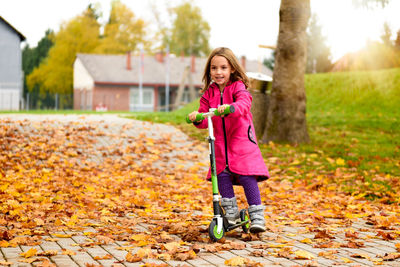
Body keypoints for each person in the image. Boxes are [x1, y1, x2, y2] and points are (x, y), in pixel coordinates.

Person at [188, 47, 270, 233]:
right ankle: (231, 215)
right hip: (220, 145)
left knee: (246, 175)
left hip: (241, 141)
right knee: (221, 175)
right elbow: (204, 118)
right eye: (214, 68)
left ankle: (257, 215)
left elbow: (244, 104)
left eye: (223, 68)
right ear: (209, 71)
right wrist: (197, 118)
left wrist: (230, 108)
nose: (218, 72)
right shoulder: (209, 94)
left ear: (232, 68)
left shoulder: (238, 87)